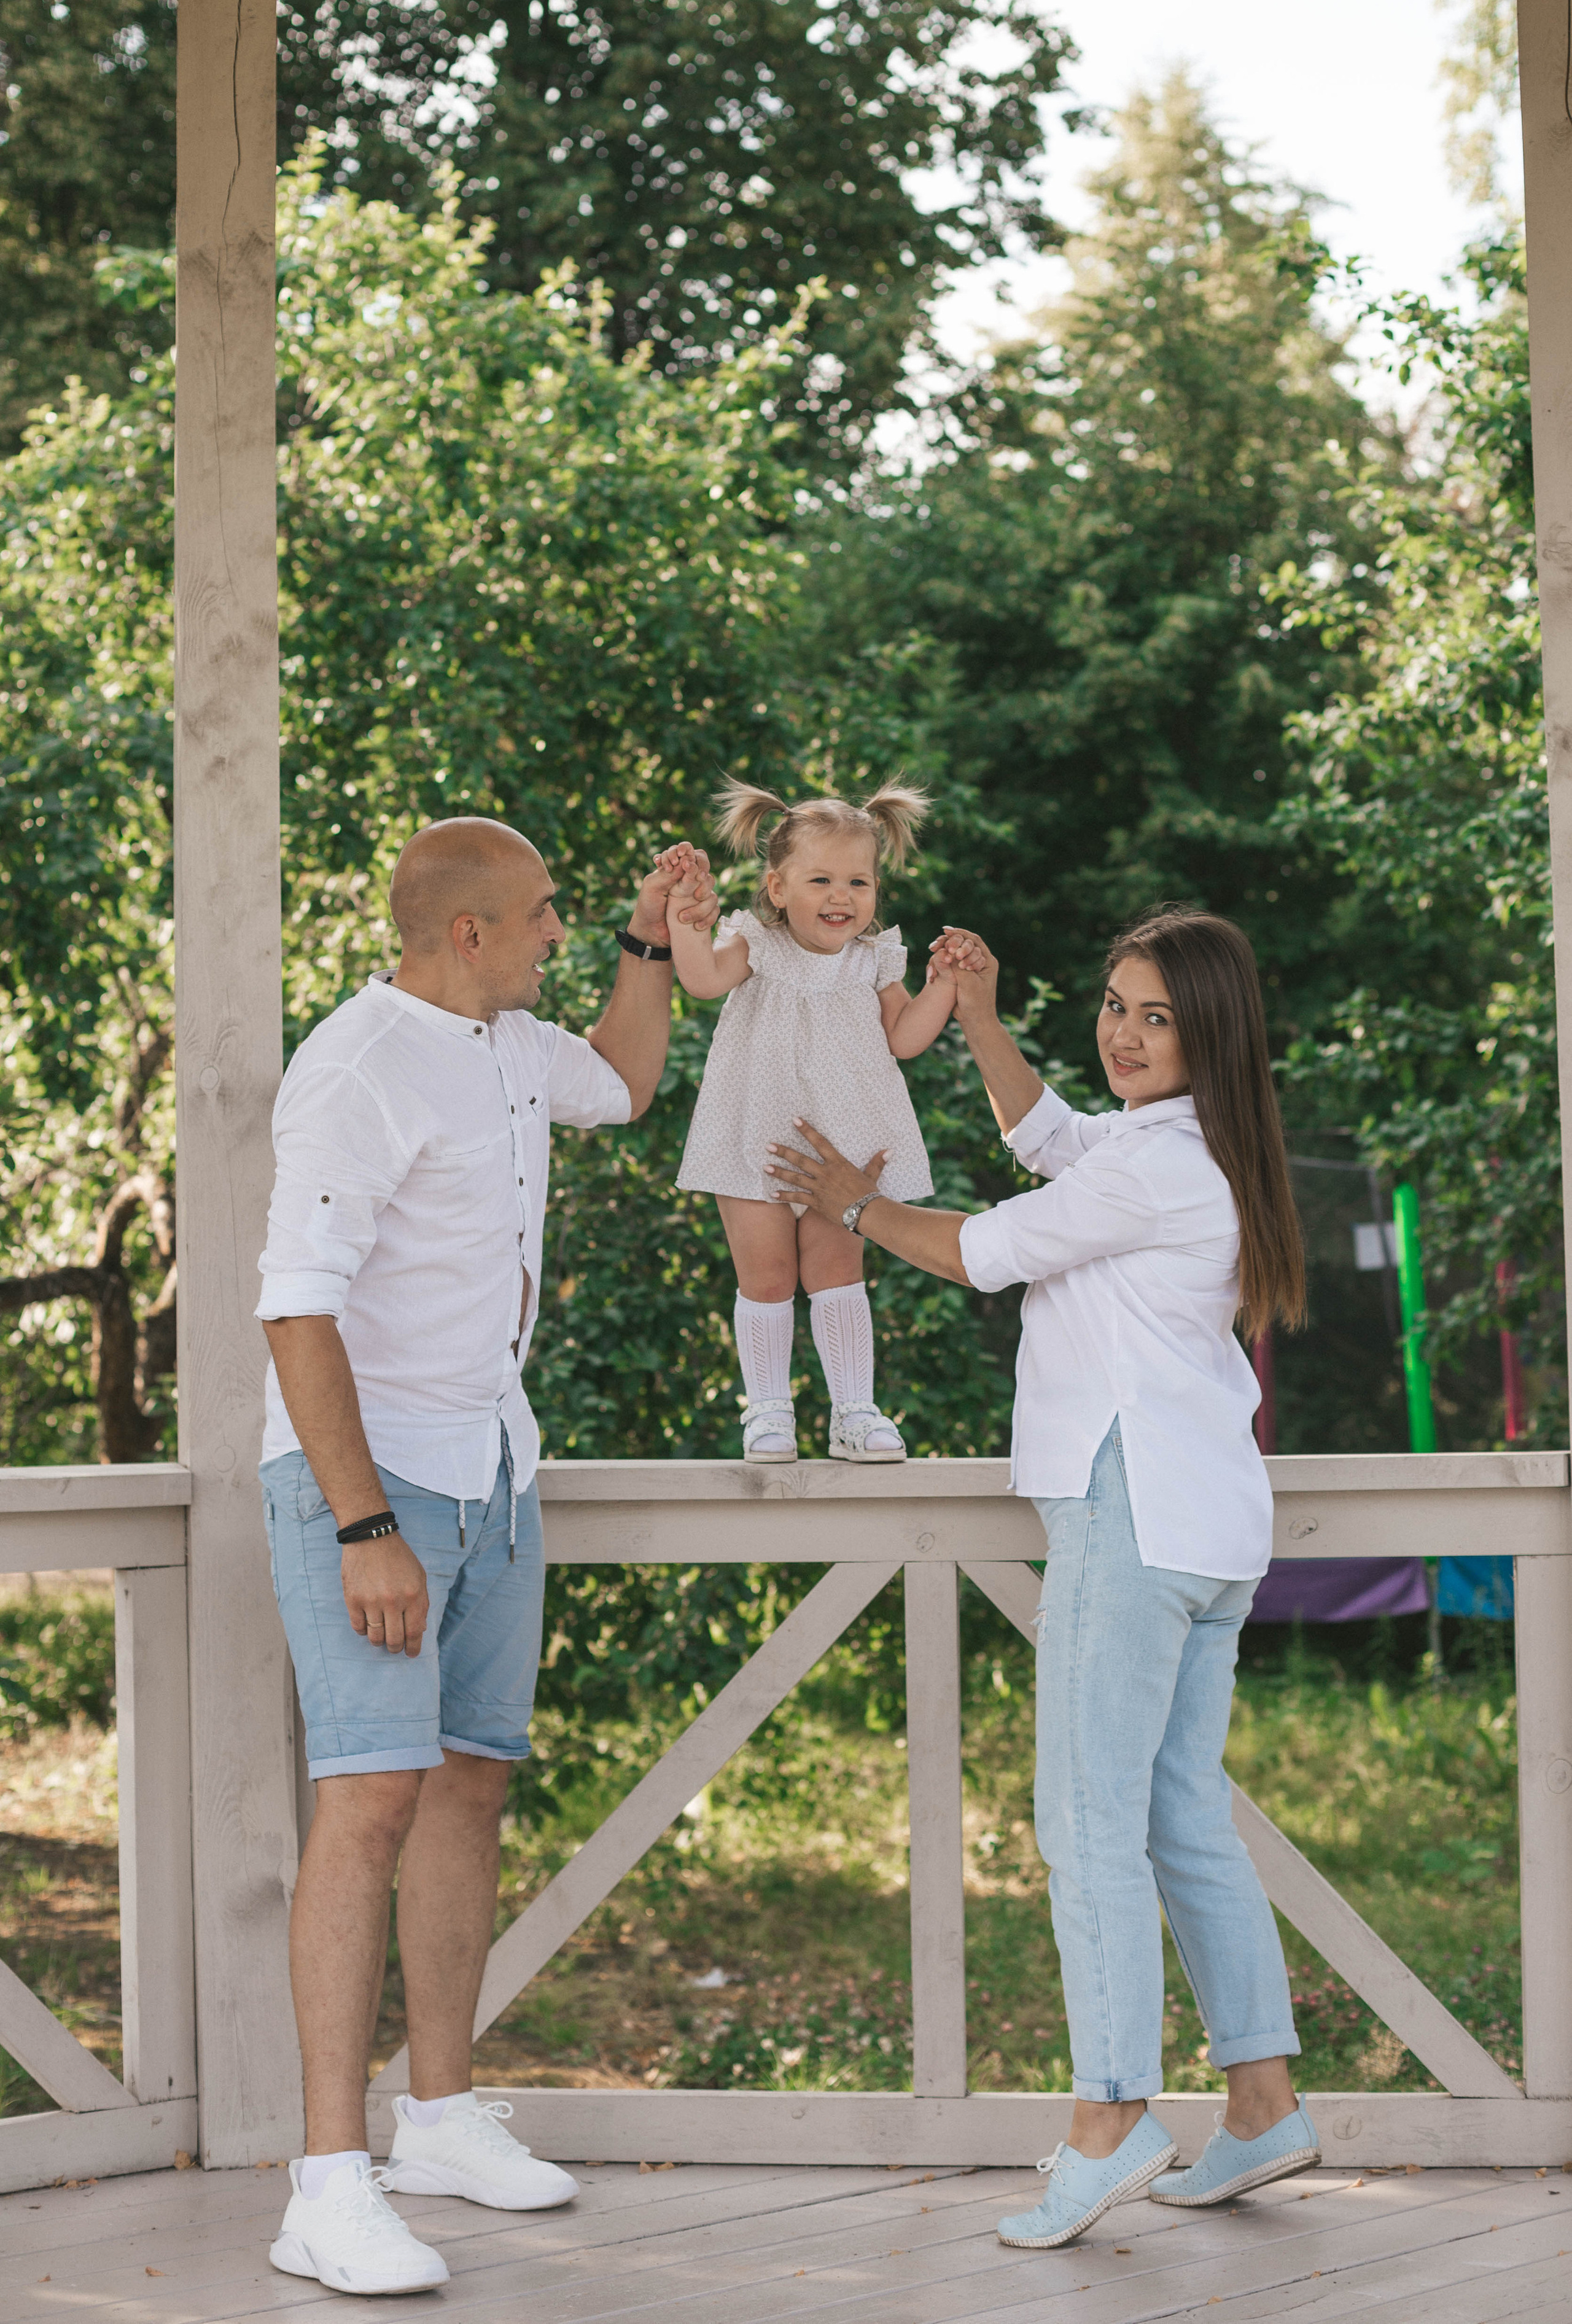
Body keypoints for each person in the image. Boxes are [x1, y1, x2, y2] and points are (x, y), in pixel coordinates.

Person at [769, 905, 1320, 2250]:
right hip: (1204, 1525)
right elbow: (1053, 1141)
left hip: (1128, 1514)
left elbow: (977, 1251)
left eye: (1153, 1018)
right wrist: (977, 1019)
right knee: (1177, 1815)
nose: (1123, 1034)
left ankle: (1108, 2115)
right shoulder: (1188, 1147)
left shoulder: (1158, 1169)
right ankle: (1259, 2103)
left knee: (1082, 1819)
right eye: (1116, 1005)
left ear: (1207, 1035)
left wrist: (853, 1201)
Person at [255, 817, 716, 2297]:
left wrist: (654, 938)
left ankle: (439, 2116)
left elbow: (632, 1080)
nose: (555, 936)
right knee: (370, 1799)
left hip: (495, 1460)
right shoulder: (354, 1067)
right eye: (542, 918)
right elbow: (294, 1311)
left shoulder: (514, 1049)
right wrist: (363, 1524)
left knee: (466, 1781)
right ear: (466, 932)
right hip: (371, 1473)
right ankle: (326, 2185)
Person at [661, 776, 960, 1464]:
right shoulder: (755, 946)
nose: (841, 897)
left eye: (858, 882)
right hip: (756, 1134)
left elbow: (905, 1038)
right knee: (765, 1275)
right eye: (820, 880)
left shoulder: (874, 960)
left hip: (843, 1142)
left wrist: (943, 983)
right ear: (777, 888)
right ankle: (768, 1413)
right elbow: (702, 981)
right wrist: (686, 920)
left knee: (836, 1268)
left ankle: (854, 1411)